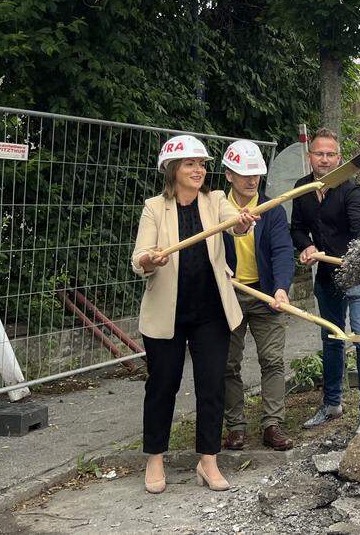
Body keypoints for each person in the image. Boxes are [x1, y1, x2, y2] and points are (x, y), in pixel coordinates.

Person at [131, 135, 258, 494]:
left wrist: (243, 221)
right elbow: (138, 257)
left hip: (211, 313)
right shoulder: (155, 208)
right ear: (173, 170)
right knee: (162, 385)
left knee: (211, 385)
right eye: (190, 164)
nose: (199, 170)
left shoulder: (215, 201)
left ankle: (208, 461)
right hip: (166, 314)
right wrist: (149, 260)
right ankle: (155, 458)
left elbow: (235, 222)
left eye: (202, 164)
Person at [290, 128, 360, 434]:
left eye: (331, 154)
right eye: (319, 153)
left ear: (339, 159)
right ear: (310, 156)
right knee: (331, 339)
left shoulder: (351, 190)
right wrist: (307, 246)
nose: (325, 160)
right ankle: (332, 404)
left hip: (356, 273)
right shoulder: (301, 189)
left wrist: (357, 257)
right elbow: (297, 228)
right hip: (326, 275)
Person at [220, 140, 296, 452]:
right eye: (244, 173)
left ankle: (272, 425)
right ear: (228, 175)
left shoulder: (272, 210)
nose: (252, 180)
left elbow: (282, 252)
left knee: (272, 359)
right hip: (229, 294)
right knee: (227, 363)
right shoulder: (214, 209)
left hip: (265, 295)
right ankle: (235, 427)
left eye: (256, 174)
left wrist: (280, 287)